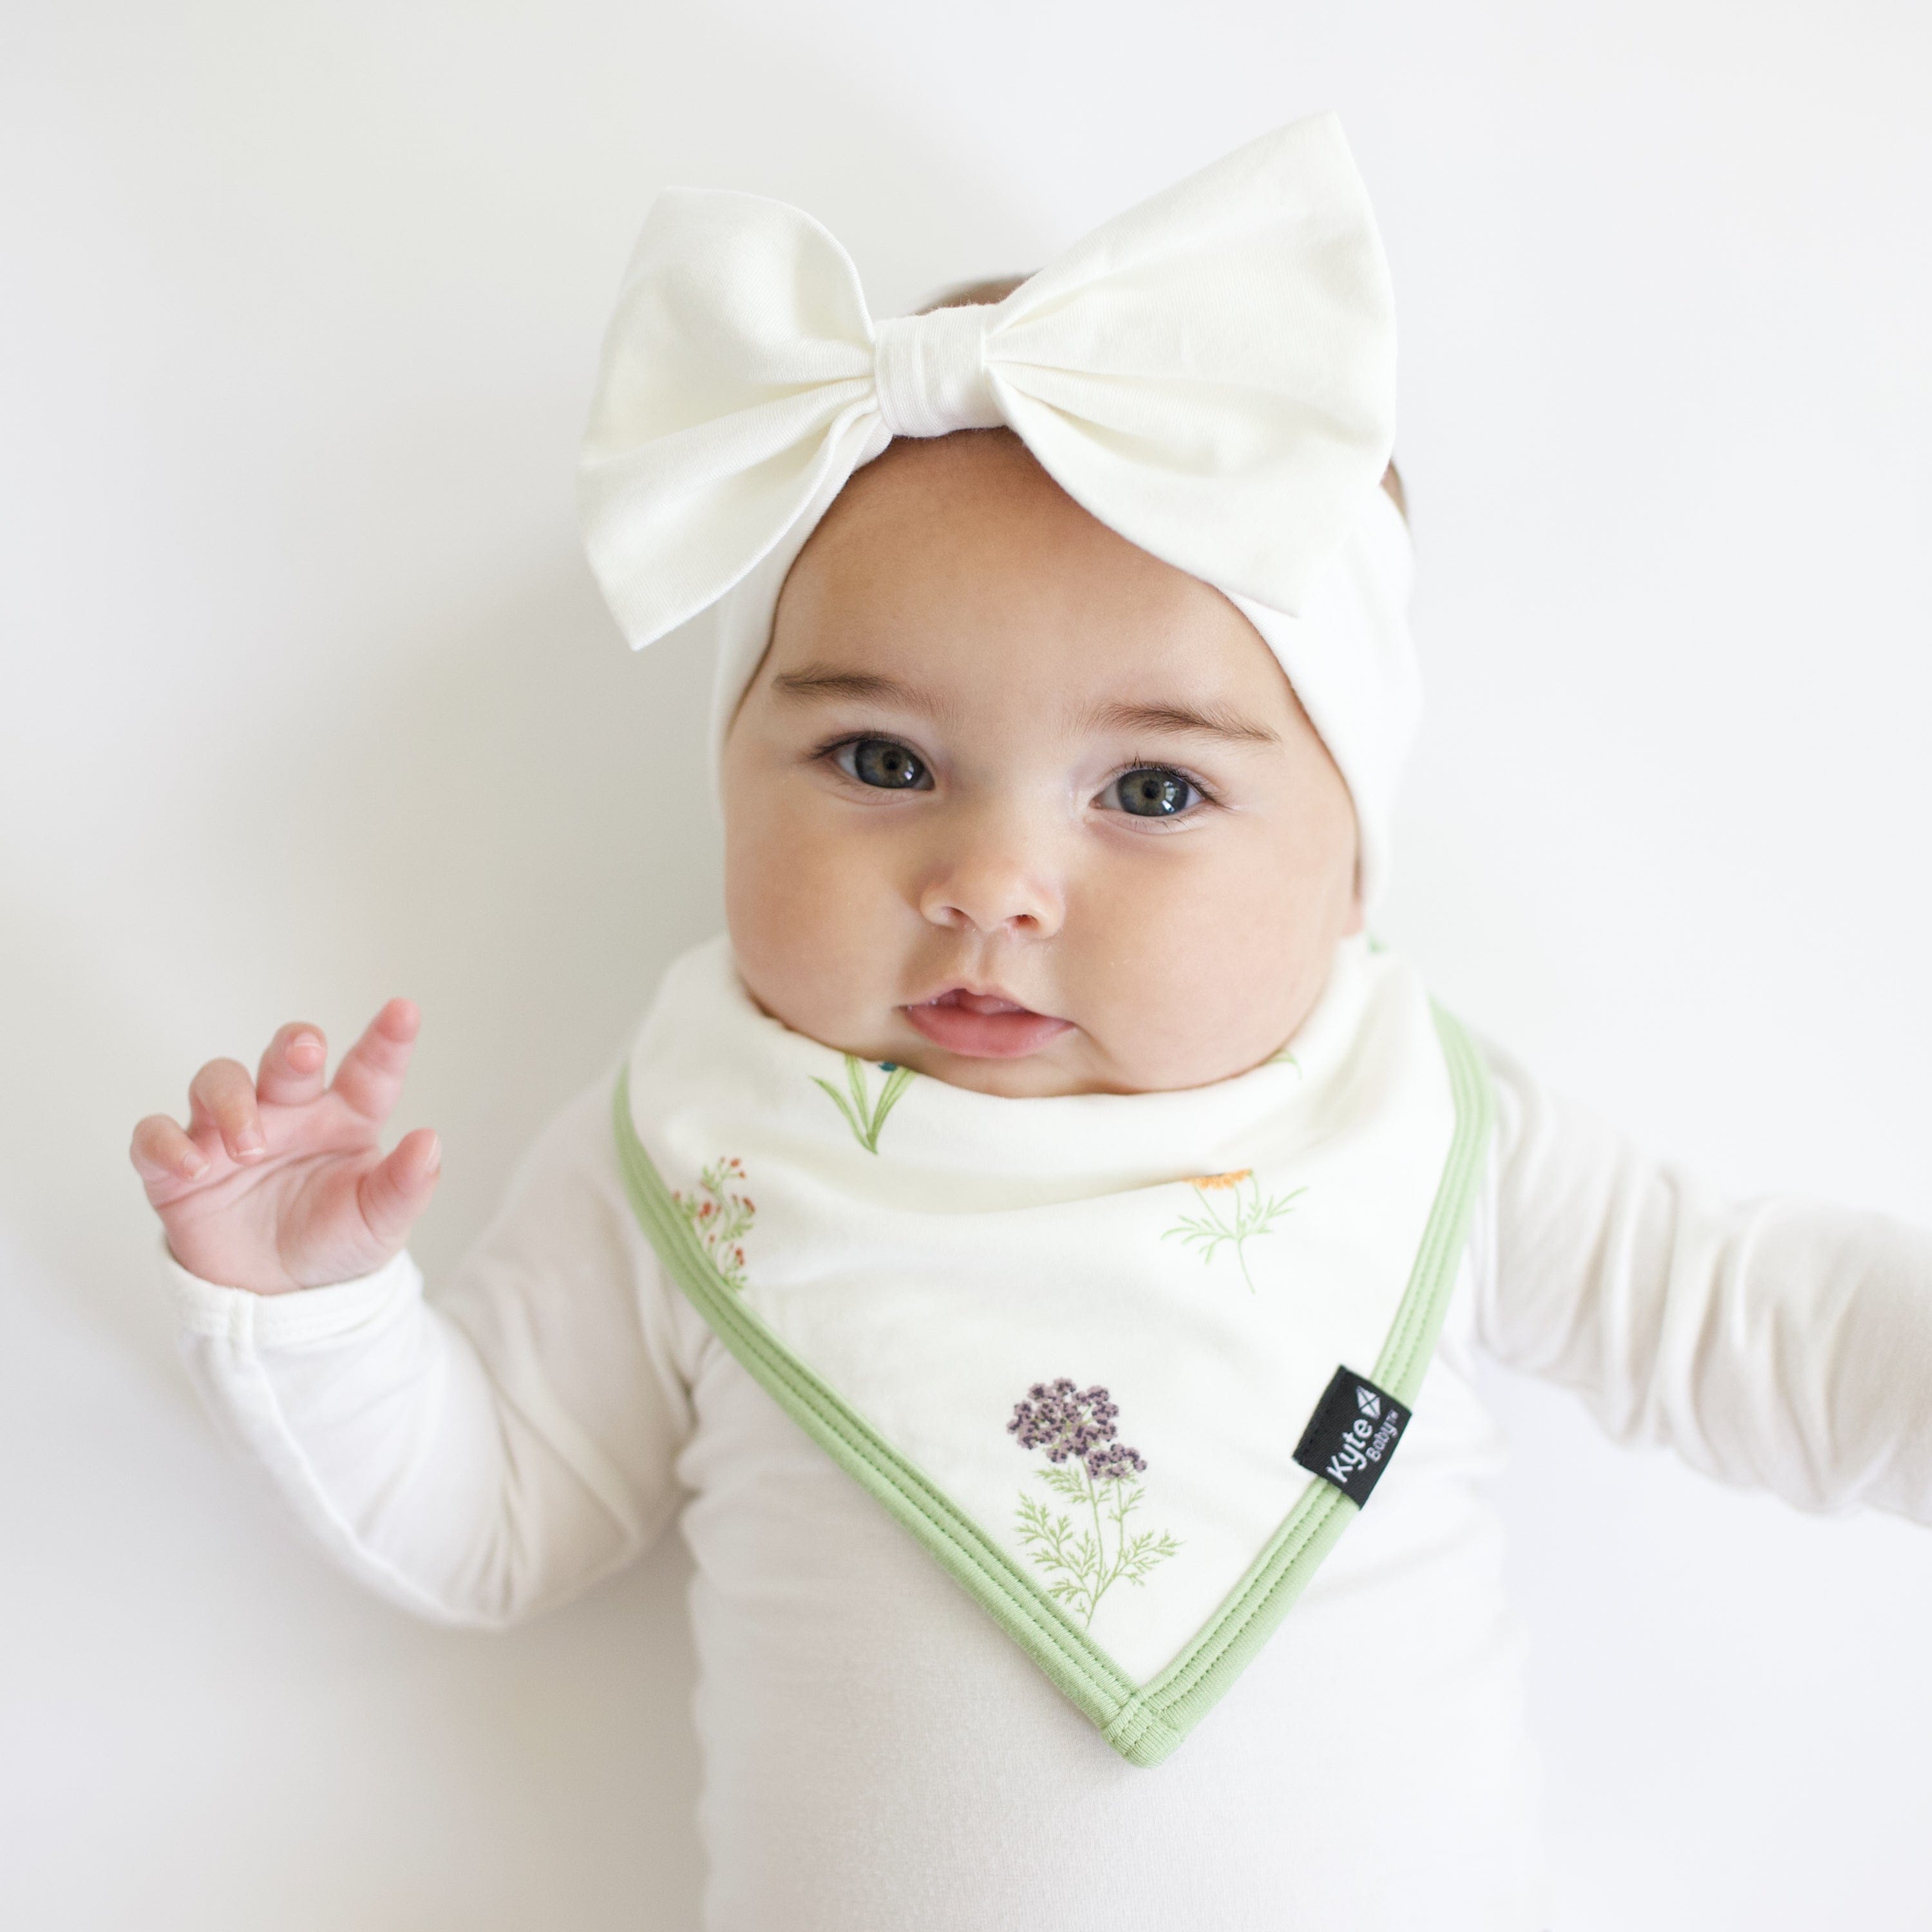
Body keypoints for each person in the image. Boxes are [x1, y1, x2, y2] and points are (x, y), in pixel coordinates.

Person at [128, 115, 1932, 1929]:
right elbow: (493, 1516)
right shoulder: (698, 1140)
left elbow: (1765, 1338)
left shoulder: (1423, 1123)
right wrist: (322, 1314)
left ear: (1352, 859)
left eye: (1149, 793)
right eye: (882, 761)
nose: (991, 880)